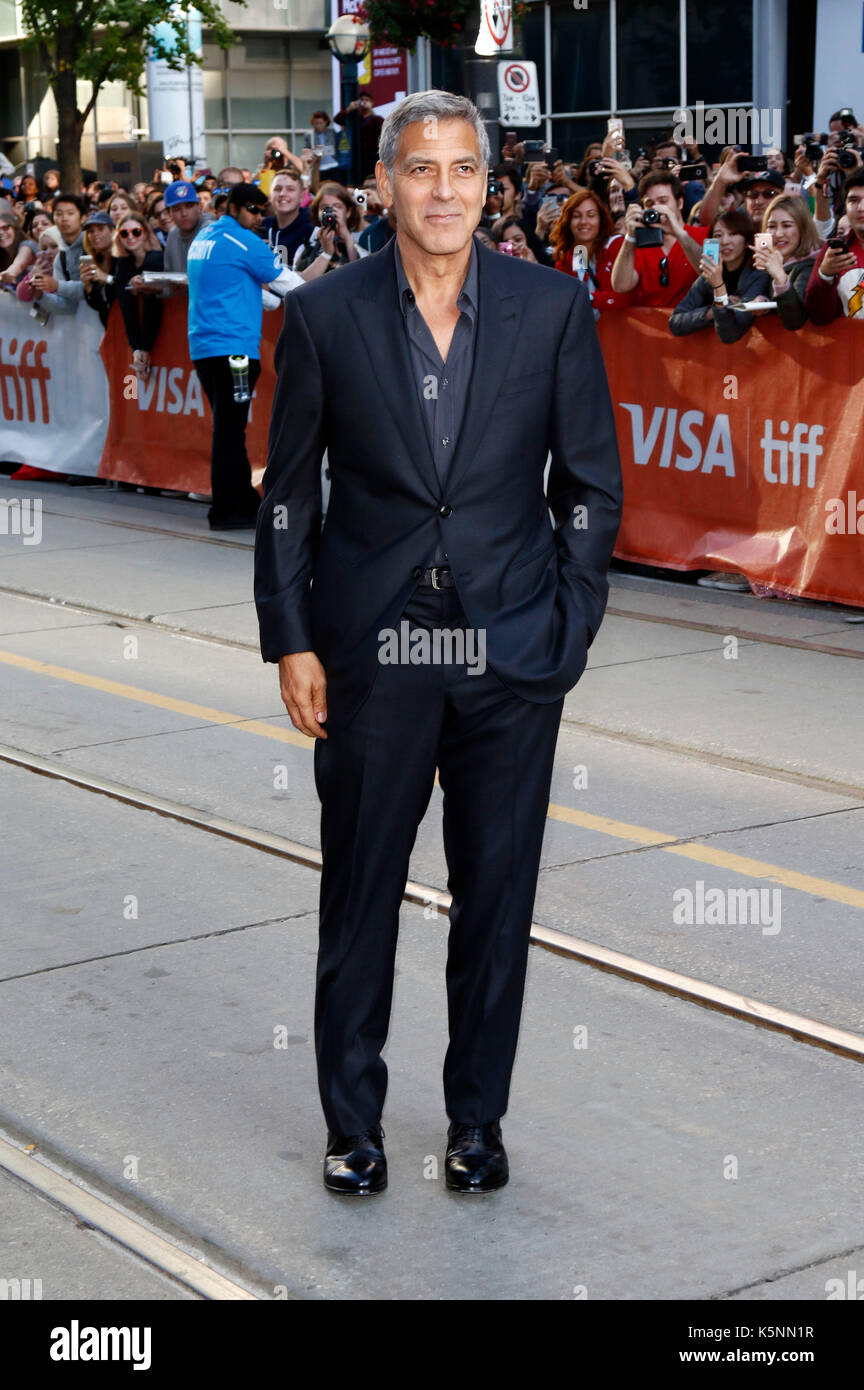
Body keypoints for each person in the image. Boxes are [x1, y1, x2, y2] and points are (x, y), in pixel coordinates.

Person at [254, 89, 622, 1197]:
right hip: (377, 652)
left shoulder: (552, 308)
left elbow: (592, 485)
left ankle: (476, 1124)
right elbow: (289, 495)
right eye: (422, 169)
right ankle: (353, 1125)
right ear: (385, 184)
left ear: (487, 183)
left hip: (511, 653)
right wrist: (293, 637)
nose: (445, 190)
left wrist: (570, 618)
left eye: (465, 169)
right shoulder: (326, 316)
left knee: (497, 901)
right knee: (360, 894)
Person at [186, 182, 305, 530]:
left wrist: (270, 301)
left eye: (262, 211)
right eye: (253, 210)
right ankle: (225, 509)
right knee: (229, 431)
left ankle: (241, 503)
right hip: (234, 350)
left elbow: (233, 287)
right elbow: (289, 283)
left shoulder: (205, 238)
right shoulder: (244, 242)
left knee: (228, 429)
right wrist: (328, 300)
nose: (259, 217)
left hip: (205, 349)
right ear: (233, 207)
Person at [669, 209, 772, 341]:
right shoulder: (709, 274)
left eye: (733, 233)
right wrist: (711, 312)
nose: (725, 241)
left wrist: (718, 287)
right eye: (718, 235)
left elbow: (729, 334)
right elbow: (675, 322)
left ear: (747, 241)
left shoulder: (758, 275)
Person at [611, 172, 708, 306]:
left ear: (680, 203)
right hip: (650, 324)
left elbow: (710, 275)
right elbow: (621, 286)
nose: (656, 208)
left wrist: (679, 233)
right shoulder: (638, 242)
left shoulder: (704, 235)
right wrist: (630, 237)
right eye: (649, 203)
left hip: (693, 322)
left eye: (663, 201)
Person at [549, 187, 635, 313]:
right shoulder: (576, 252)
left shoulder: (615, 245)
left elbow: (627, 298)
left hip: (617, 329)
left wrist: (590, 299)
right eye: (576, 216)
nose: (584, 222)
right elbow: (565, 298)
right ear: (567, 222)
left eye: (591, 215)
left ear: (601, 219)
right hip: (585, 330)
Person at [751, 194, 821, 330]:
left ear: (803, 229)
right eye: (771, 226)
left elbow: (794, 320)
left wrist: (780, 278)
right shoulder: (765, 266)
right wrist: (762, 302)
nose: (778, 233)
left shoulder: (810, 268)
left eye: (786, 225)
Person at [804, 168, 864, 322]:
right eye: (853, 200)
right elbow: (819, 318)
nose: (861, 208)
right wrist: (825, 276)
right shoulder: (834, 251)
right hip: (851, 344)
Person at [111, 213, 164, 380]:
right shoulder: (123, 263)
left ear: (146, 233)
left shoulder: (156, 258)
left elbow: (152, 305)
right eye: (124, 233)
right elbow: (127, 308)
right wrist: (136, 348)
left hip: (161, 334)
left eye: (136, 232)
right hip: (143, 338)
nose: (131, 237)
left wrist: (145, 348)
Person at [27, 193, 86, 316]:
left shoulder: (95, 246)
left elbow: (93, 289)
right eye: (59, 214)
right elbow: (68, 307)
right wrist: (40, 296)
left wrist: (56, 285)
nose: (64, 218)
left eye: (70, 213)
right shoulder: (61, 258)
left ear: (82, 217)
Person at [291, 182, 368, 273]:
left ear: (348, 212)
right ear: (317, 212)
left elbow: (362, 272)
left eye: (337, 207)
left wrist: (347, 237)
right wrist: (324, 250)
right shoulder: (307, 244)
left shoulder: (361, 239)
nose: (331, 213)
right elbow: (299, 280)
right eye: (325, 208)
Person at [260, 168, 313, 268]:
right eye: (277, 189)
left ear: (302, 197)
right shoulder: (260, 228)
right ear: (270, 196)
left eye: (290, 189)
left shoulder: (311, 231)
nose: (282, 194)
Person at [333, 91, 383, 183]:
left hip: (371, 157)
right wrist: (349, 108)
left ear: (372, 103)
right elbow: (337, 119)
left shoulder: (377, 120)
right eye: (362, 100)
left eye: (367, 100)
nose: (364, 102)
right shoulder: (355, 119)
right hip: (356, 158)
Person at [0, 210, 37, 284]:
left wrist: (10, 273)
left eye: (5, 227)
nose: (0, 233)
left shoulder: (27, 245)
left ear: (15, 228)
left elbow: (19, 264)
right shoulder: (3, 255)